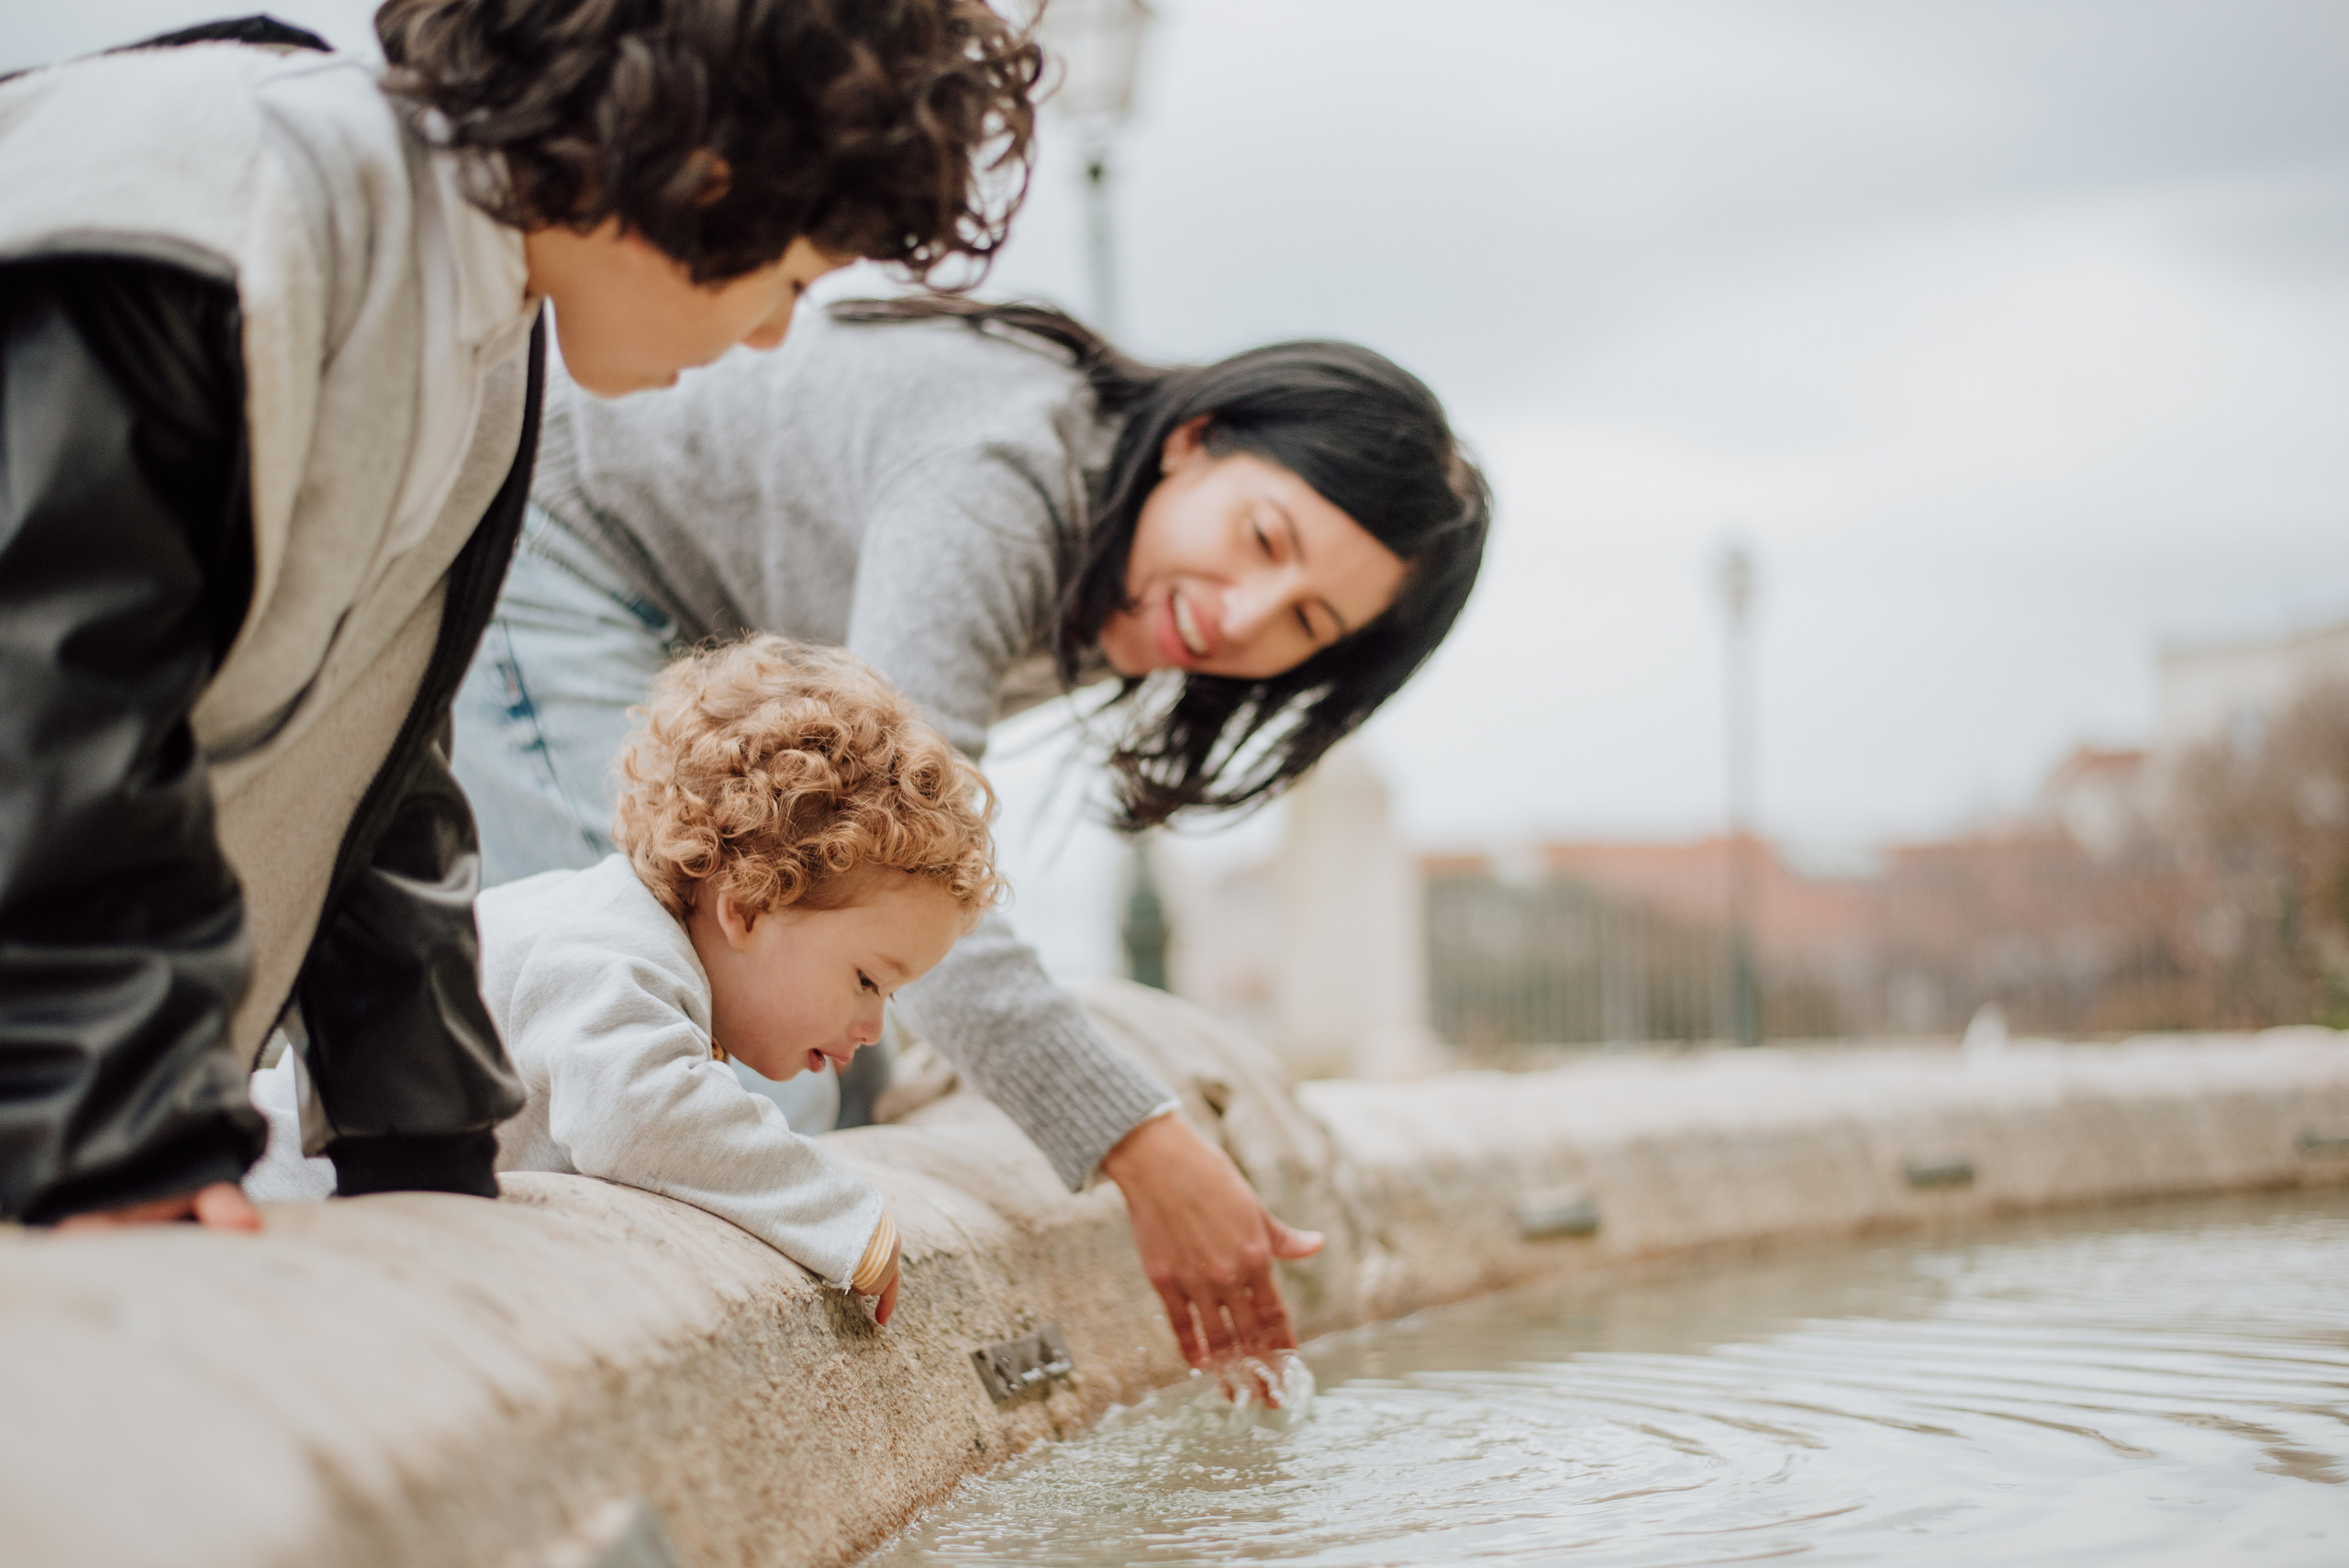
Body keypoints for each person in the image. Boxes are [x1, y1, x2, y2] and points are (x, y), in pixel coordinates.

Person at [0, 2, 1041, 1229]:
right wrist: (102, 1111)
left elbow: (379, 765)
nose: (770, 336)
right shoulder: (212, 183)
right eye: (793, 276)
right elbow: (51, 670)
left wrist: (424, 1146)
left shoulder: (481, 327)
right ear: (709, 173)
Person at [452, 295, 1493, 1368]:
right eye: (1262, 537)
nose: (1241, 616)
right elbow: (902, 890)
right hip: (556, 535)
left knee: (781, 1045)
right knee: (727, 1073)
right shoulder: (996, 489)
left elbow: (882, 899)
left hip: (688, 623)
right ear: (1195, 442)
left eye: (1304, 623)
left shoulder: (1134, 574)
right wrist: (1145, 1145)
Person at [251, 636, 999, 1324]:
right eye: (868, 979)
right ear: (748, 906)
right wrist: (846, 1218)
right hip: (273, 1213)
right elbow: (637, 1115)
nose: (872, 1029)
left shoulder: (640, 947)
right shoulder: (609, 952)